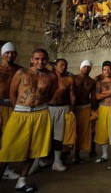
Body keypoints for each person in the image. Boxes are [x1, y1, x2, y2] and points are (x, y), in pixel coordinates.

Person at [0, 49, 57, 192]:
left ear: (47, 60)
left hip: (41, 114)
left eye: (43, 59)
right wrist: (20, 109)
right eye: (37, 59)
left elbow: (49, 95)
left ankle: (21, 181)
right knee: (8, 148)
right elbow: (12, 93)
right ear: (32, 59)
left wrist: (38, 107)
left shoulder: (52, 76)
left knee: (34, 149)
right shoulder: (22, 73)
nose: (40, 61)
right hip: (20, 113)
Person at [48, 58, 76, 172]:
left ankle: (57, 161)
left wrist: (72, 109)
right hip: (48, 108)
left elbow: (72, 95)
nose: (64, 67)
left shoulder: (69, 79)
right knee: (44, 135)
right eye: (61, 65)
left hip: (63, 108)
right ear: (55, 66)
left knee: (59, 137)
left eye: (65, 65)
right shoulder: (49, 77)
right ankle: (36, 161)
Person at [0, 42, 22, 180]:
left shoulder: (19, 70)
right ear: (2, 54)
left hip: (14, 107)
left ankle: (6, 168)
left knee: (9, 139)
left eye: (13, 53)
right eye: (7, 53)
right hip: (0, 106)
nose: (10, 55)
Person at [73, 60, 96, 164]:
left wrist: (93, 109)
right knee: (70, 131)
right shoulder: (73, 78)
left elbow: (93, 97)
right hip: (74, 108)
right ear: (80, 67)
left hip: (86, 107)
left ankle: (76, 156)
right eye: (84, 66)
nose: (86, 68)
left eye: (88, 67)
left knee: (82, 132)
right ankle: (63, 155)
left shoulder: (92, 81)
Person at [94, 61, 111, 163]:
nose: (107, 71)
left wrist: (104, 92)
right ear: (102, 71)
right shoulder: (99, 82)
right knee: (103, 131)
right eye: (105, 69)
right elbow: (97, 96)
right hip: (102, 108)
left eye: (109, 69)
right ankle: (105, 155)